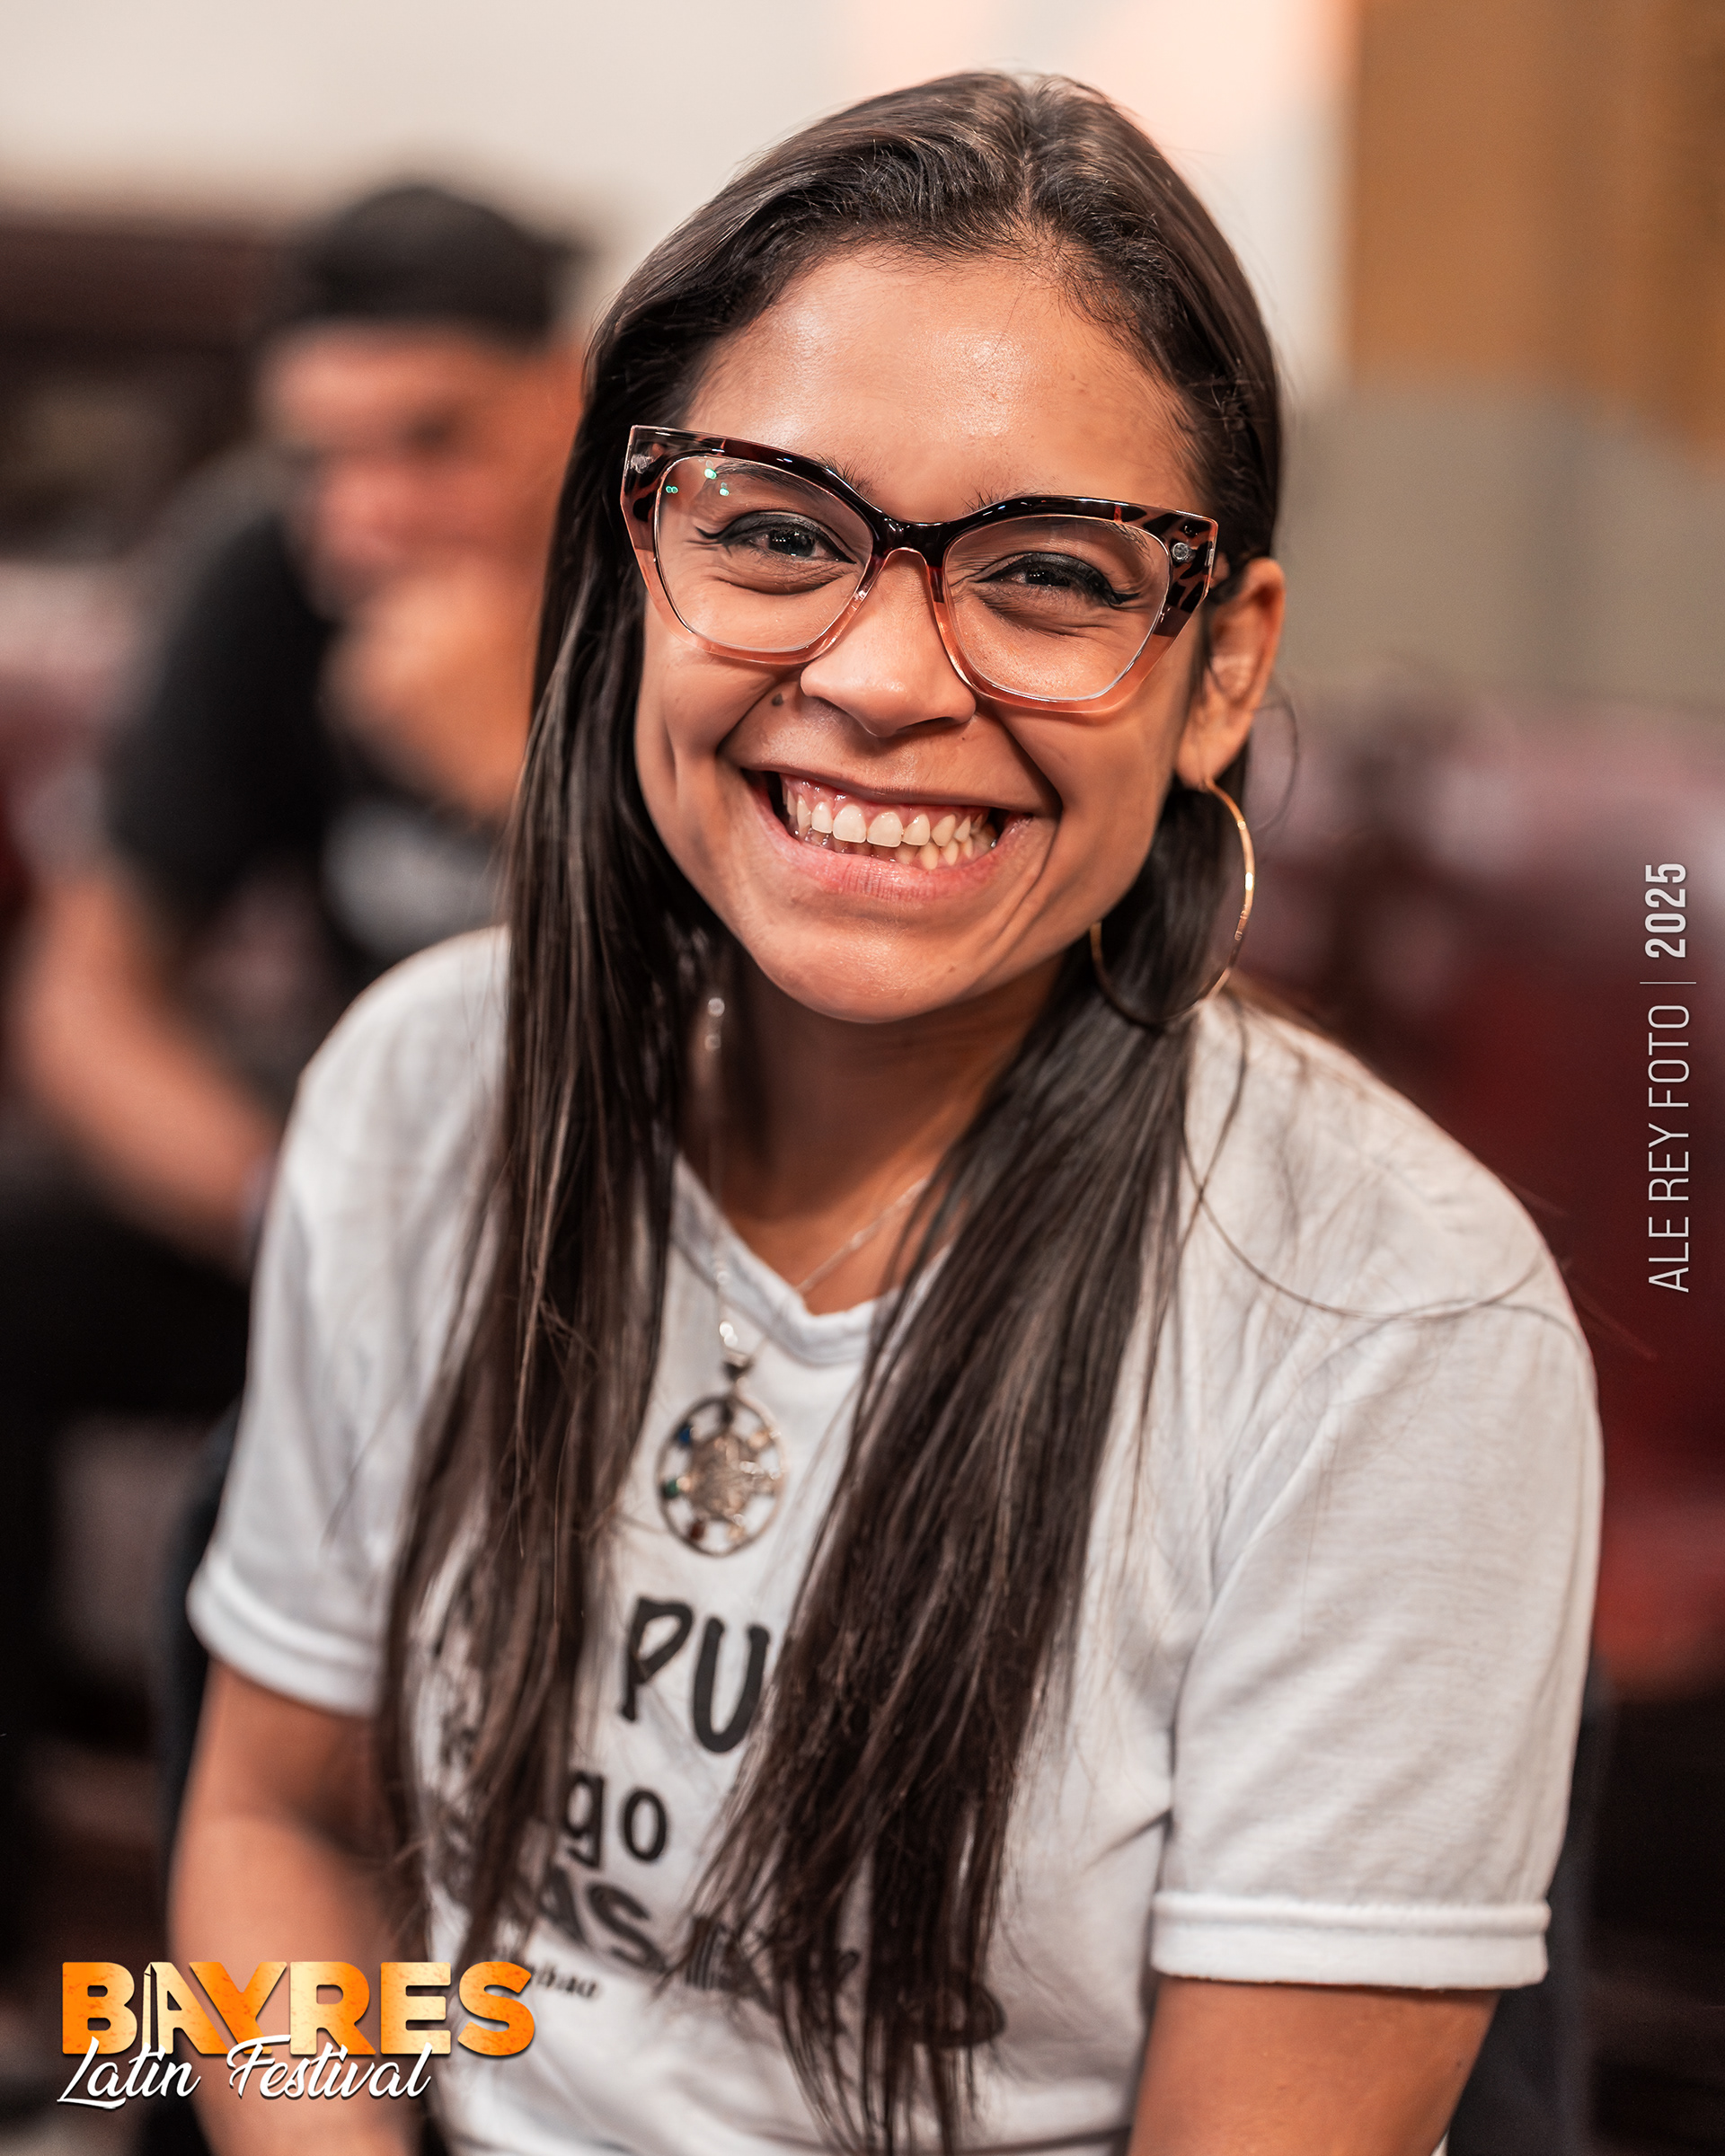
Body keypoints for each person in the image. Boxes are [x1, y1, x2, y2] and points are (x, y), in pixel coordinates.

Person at [174, 76, 1600, 2156]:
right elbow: (276, 1828)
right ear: (634, 559)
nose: (881, 678)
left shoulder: (1392, 1322)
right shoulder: (422, 1091)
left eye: (1049, 575)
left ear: (1221, 671)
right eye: (775, 532)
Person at [0, 184, 579, 1987]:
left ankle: (317, 2045)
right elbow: (85, 993)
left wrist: (512, 775)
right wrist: (288, 1217)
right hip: (372, 1221)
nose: (367, 511)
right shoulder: (275, 574)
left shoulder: (695, 585)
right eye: (321, 454)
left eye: (433, 439)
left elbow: (774, 1034)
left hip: (630, 1243)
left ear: (576, 391)